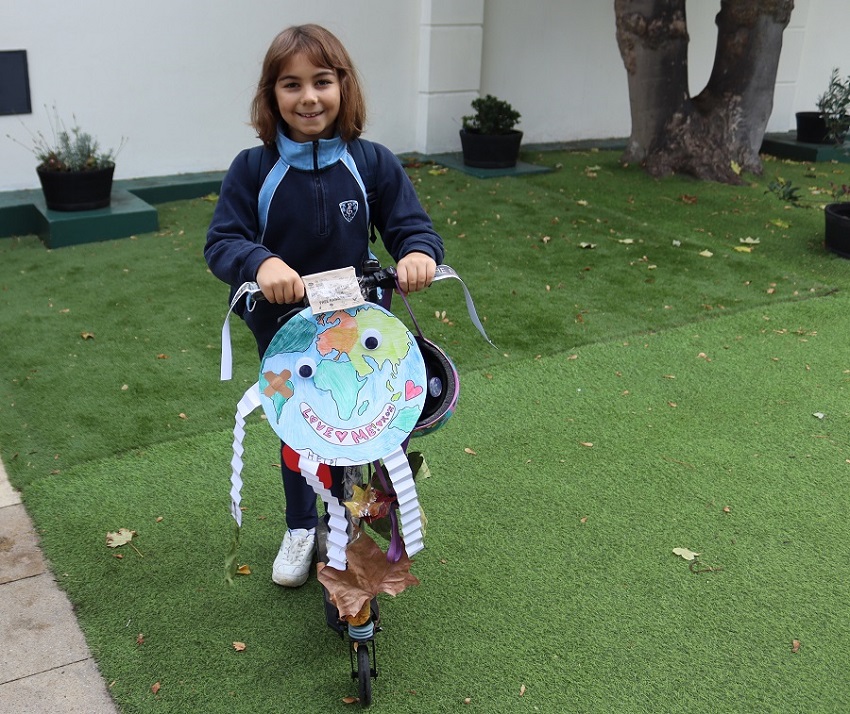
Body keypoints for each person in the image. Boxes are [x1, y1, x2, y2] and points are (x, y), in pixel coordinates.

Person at [205, 24, 444, 588]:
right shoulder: (253, 168)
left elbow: (414, 229)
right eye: (291, 85)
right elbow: (222, 242)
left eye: (322, 81)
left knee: (373, 419)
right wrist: (261, 263)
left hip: (364, 327)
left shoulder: (372, 162)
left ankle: (376, 514)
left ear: (344, 87)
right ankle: (300, 525)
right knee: (301, 432)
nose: (309, 97)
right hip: (285, 332)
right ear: (271, 96)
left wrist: (416, 255)